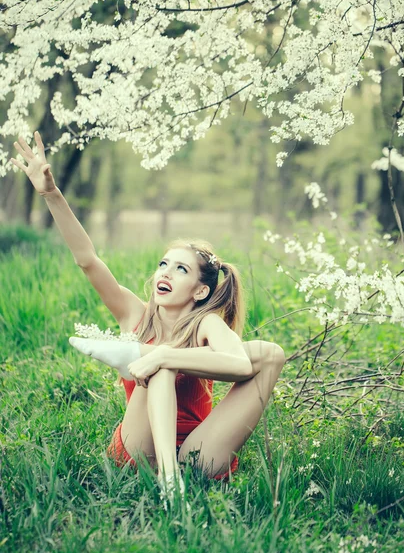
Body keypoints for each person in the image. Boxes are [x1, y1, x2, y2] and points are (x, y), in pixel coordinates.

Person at [11, 132, 286, 507]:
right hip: (139, 447)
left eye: (180, 270)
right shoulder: (133, 313)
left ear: (200, 291)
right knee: (159, 366)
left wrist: (161, 354)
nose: (165, 274)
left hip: (196, 452)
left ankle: (155, 379)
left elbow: (239, 364)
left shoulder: (207, 325)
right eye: (163, 265)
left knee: (268, 353)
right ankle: (169, 483)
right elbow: (88, 260)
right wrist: (51, 195)